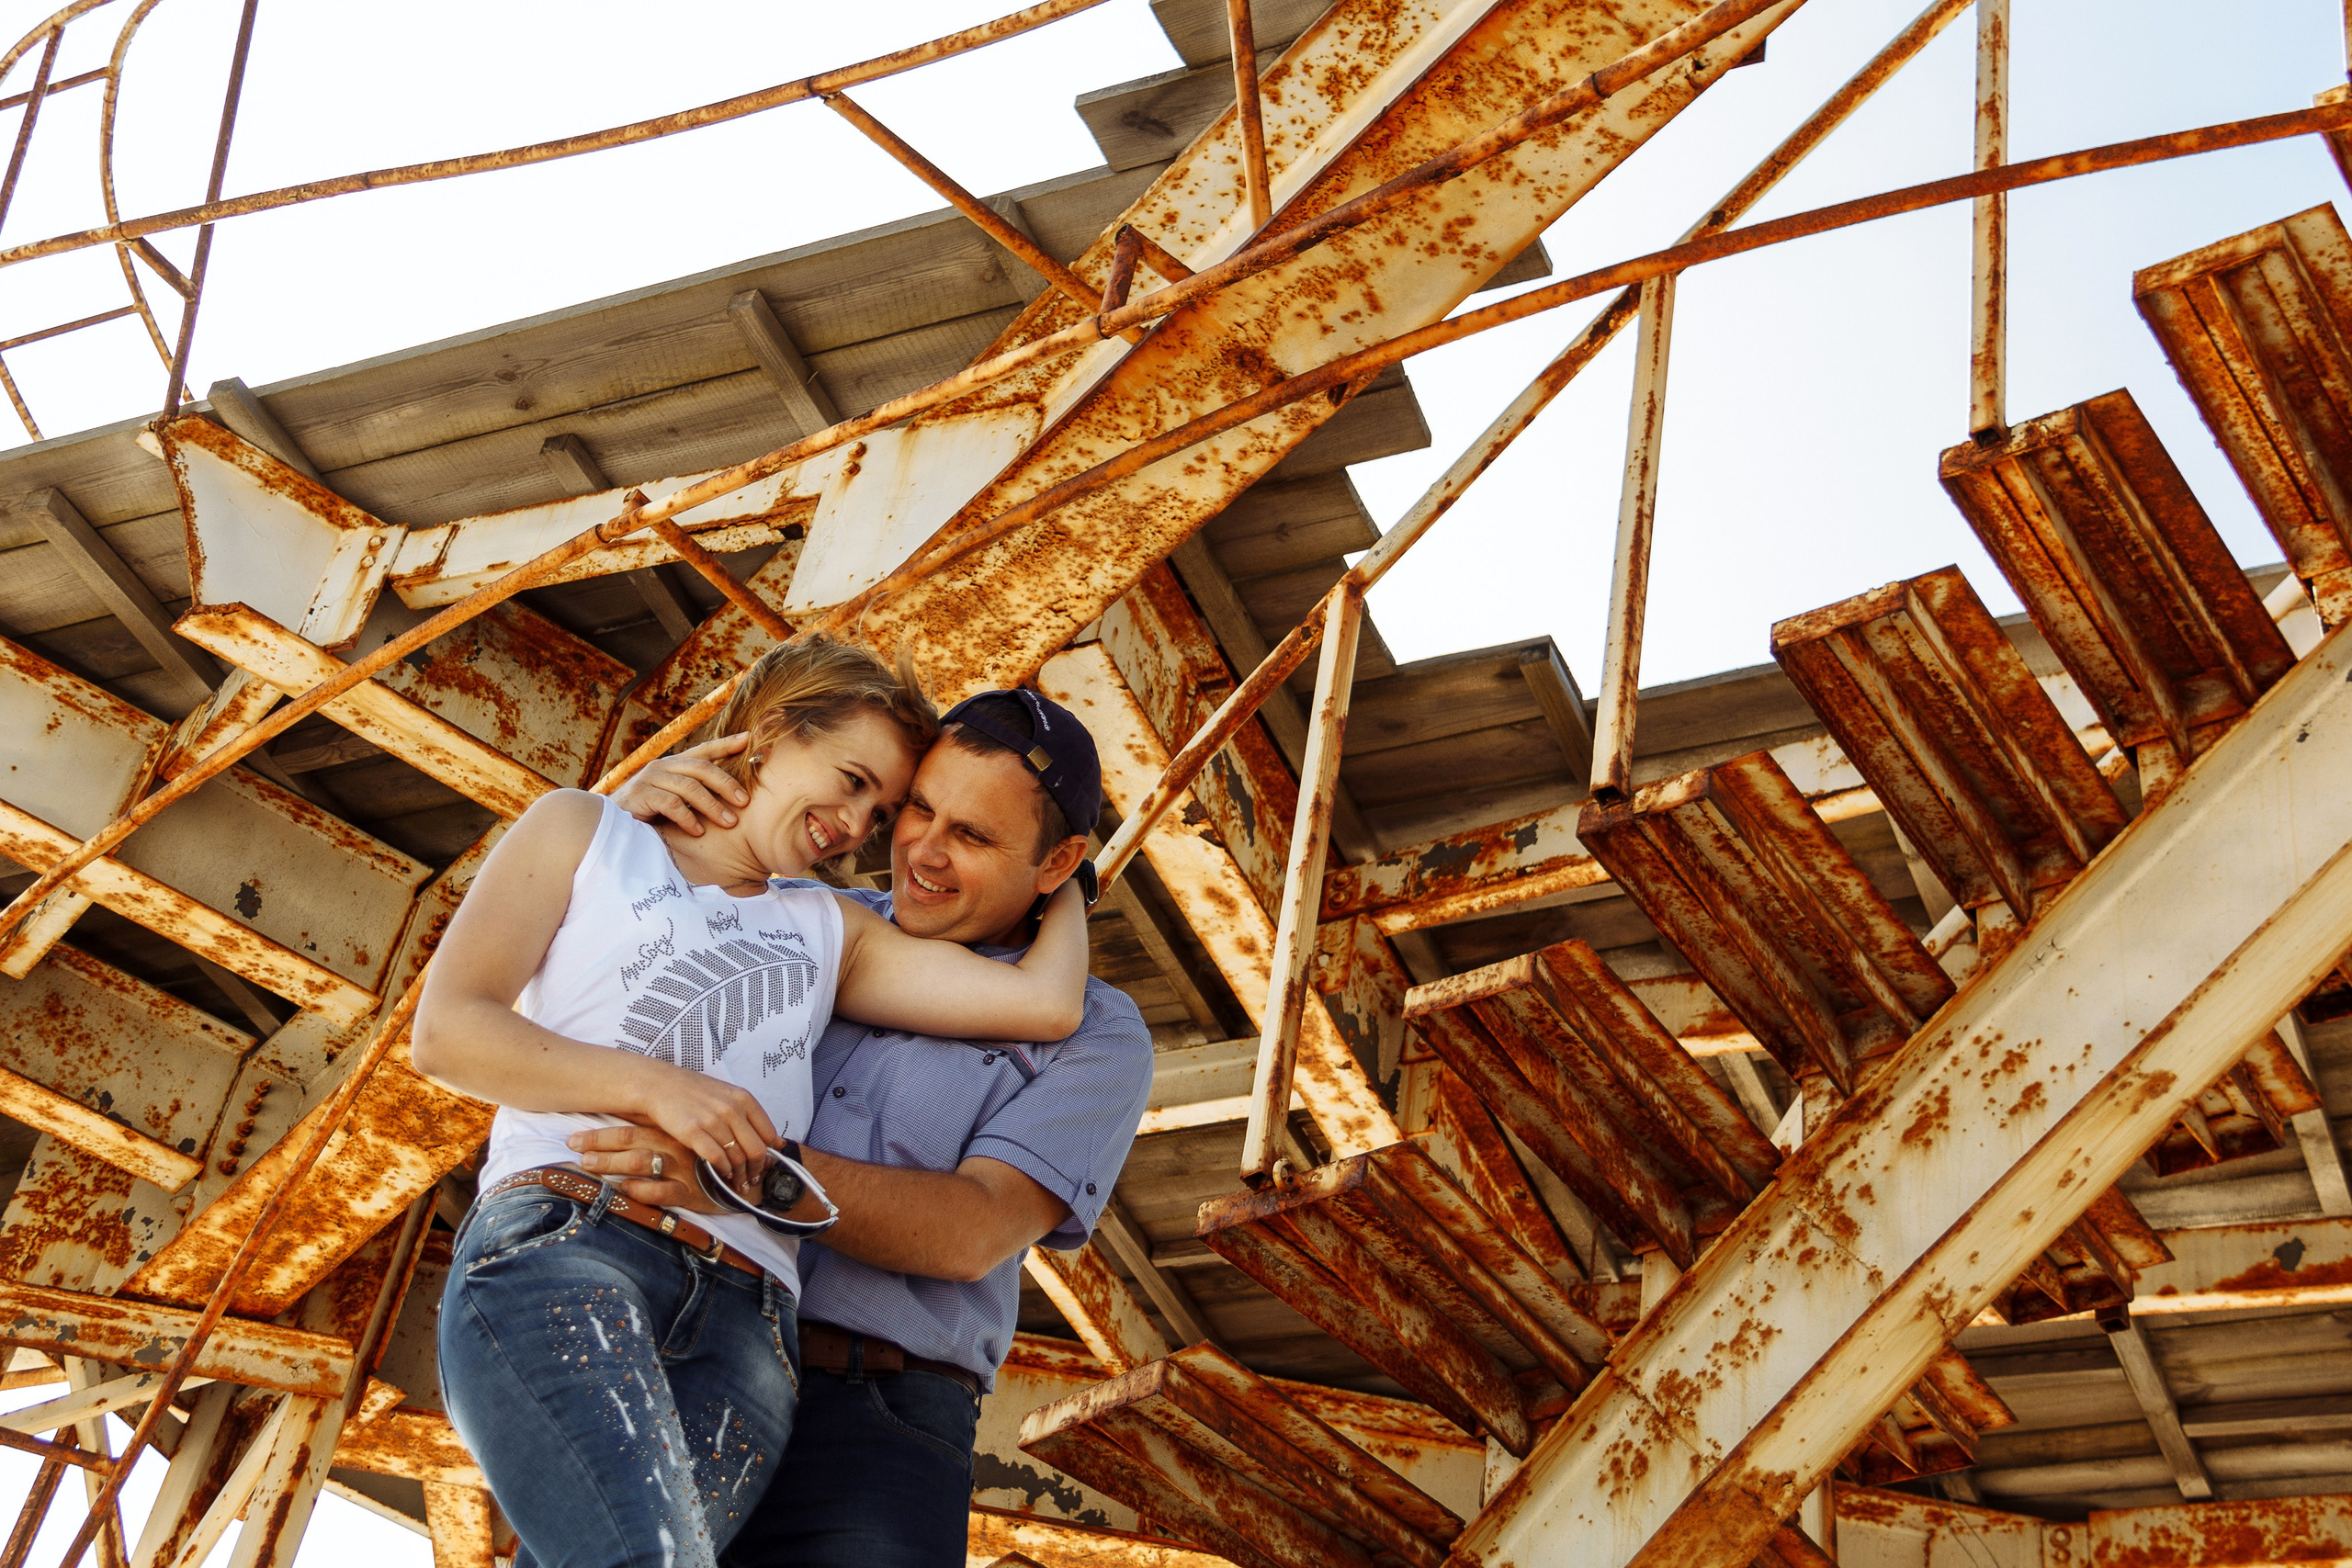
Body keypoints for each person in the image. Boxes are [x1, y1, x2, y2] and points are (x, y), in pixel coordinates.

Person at [413, 640, 1093, 1568]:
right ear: (770, 733)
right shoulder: (590, 830)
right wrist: (660, 1089)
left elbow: (1047, 1005)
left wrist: (1066, 878)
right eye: (855, 782)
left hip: (748, 1320)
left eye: (878, 808)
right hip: (575, 1237)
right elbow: (448, 1032)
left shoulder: (830, 927)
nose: (857, 826)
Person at [574, 687, 1156, 1568]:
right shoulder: (794, 916)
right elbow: (590, 976)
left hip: (874, 1419)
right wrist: (627, 829)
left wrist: (743, 1175)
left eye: (973, 834)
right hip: (675, 1361)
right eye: (919, 807)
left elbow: (974, 1229)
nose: (921, 848)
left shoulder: (1100, 1035)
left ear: (1057, 860)